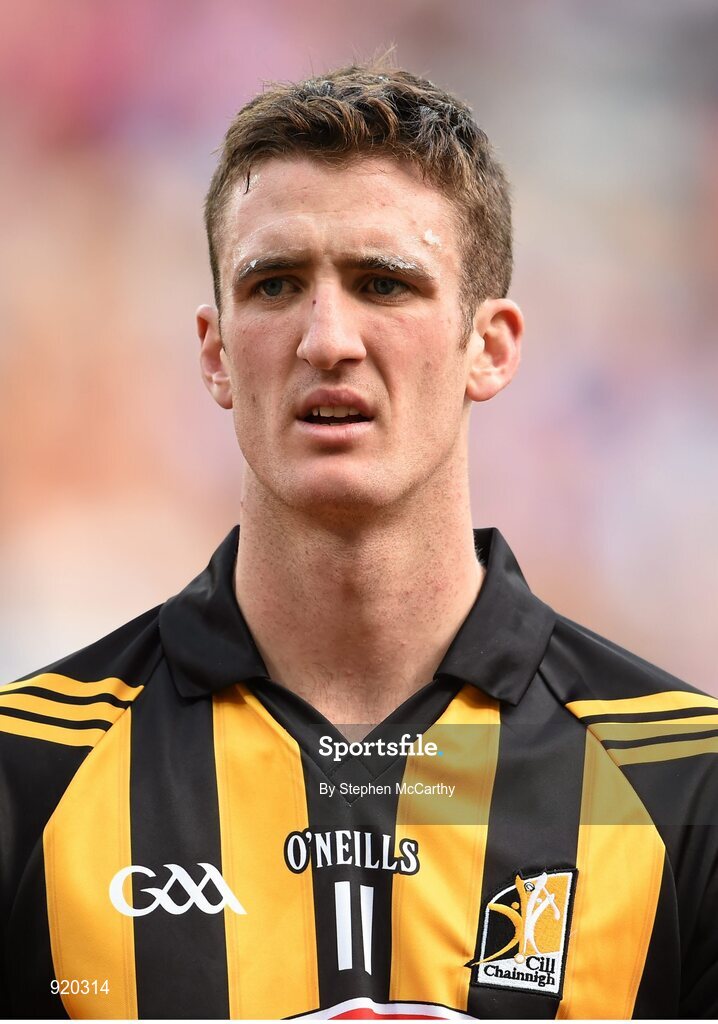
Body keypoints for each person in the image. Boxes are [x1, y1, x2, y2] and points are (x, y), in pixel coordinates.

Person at [1, 61, 716, 1022]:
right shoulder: (31, 773)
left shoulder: (681, 780)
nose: (327, 337)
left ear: (491, 346)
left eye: (384, 283)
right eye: (276, 284)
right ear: (215, 352)